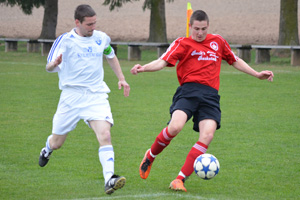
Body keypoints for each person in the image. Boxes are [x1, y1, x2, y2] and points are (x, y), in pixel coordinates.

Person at [130, 10, 274, 192]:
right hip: (188, 92)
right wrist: (143, 68)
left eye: (203, 29)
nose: (200, 33)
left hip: (210, 96)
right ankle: (150, 155)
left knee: (207, 135)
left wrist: (256, 74)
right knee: (175, 127)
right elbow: (162, 61)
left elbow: (235, 60)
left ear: (208, 27)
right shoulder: (182, 43)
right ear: (190, 27)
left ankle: (179, 180)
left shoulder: (218, 41)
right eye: (196, 29)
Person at [38, 4, 130, 195]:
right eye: (89, 24)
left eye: (95, 23)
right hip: (71, 97)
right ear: (77, 22)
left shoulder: (101, 38)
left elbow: (110, 56)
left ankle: (109, 179)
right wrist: (53, 64)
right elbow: (48, 66)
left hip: (95, 95)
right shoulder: (65, 40)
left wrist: (121, 78)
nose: (93, 27)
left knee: (105, 135)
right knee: (57, 143)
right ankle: (47, 149)